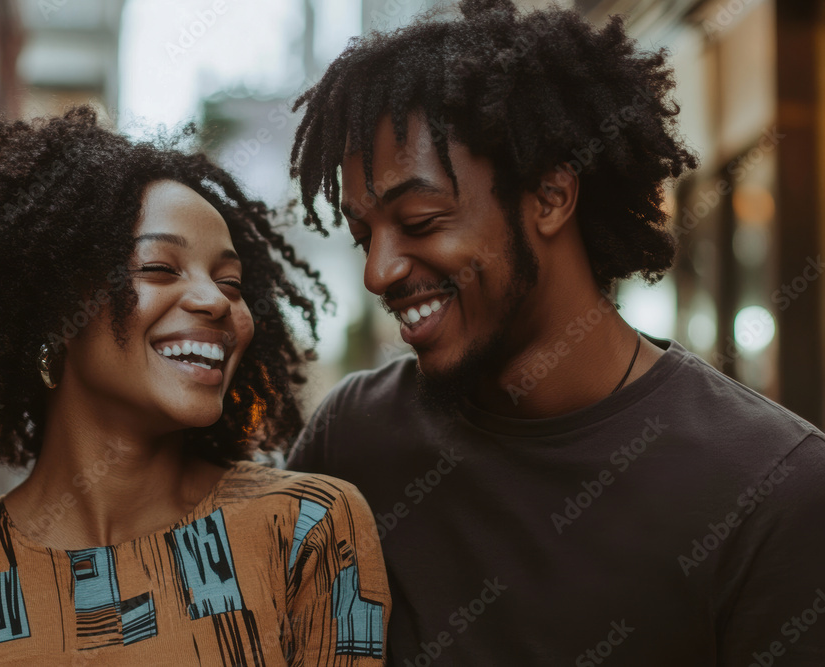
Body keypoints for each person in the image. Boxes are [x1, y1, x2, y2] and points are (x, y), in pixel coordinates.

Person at [286, 0, 825, 664]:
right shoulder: (357, 439)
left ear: (549, 196)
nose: (379, 271)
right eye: (364, 235)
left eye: (421, 220)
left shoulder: (773, 488)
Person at [0, 106, 390, 665]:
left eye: (231, 282)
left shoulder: (305, 531)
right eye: (160, 268)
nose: (216, 301)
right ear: (56, 312)